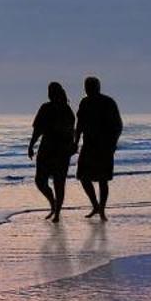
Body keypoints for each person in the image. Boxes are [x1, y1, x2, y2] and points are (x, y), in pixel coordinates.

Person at [74, 75, 124, 220]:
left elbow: (118, 125)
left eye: (90, 86)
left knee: (103, 179)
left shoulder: (108, 102)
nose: (88, 89)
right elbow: (80, 125)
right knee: (83, 177)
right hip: (88, 145)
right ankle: (95, 205)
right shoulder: (84, 102)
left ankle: (101, 209)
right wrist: (76, 142)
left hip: (104, 146)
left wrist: (113, 143)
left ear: (97, 87)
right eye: (87, 87)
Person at [28, 81, 75, 221]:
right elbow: (37, 130)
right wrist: (31, 145)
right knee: (40, 181)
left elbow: (70, 131)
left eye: (51, 92)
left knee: (59, 183)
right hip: (47, 149)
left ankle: (57, 213)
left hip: (60, 150)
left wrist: (72, 145)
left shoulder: (66, 110)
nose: (50, 94)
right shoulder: (46, 108)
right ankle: (53, 204)